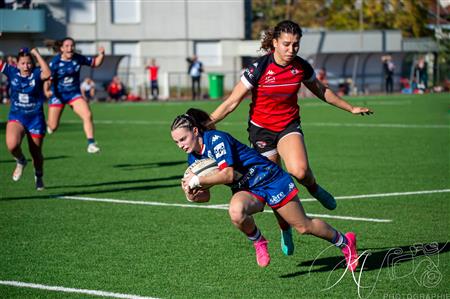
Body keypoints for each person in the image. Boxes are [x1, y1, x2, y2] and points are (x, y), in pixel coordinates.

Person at [209, 20, 372, 257]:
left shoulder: (300, 67)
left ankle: (314, 187)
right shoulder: (258, 68)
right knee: (274, 187)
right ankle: (285, 227)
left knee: (300, 171)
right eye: (286, 44)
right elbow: (232, 101)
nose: (291, 49)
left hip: (287, 126)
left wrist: (350, 108)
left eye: (296, 45)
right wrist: (208, 122)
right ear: (274, 43)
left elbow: (321, 90)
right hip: (261, 132)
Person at [171, 108, 359, 271]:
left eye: (183, 139)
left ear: (195, 131)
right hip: (247, 188)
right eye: (176, 142)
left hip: (270, 179)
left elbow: (227, 175)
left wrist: (197, 180)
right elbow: (206, 196)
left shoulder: (216, 139)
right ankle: (259, 241)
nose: (181, 145)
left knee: (303, 227)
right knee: (236, 212)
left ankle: (345, 242)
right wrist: (191, 194)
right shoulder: (193, 158)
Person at [1, 47, 51, 190]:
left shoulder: (36, 74)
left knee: (36, 153)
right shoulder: (11, 72)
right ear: (17, 64)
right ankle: (21, 161)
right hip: (17, 116)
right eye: (23, 63)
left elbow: (47, 73)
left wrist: (36, 54)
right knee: (12, 145)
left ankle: (39, 175)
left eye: (29, 63)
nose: (26, 66)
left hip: (35, 118)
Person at [46, 37, 105, 154]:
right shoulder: (55, 62)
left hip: (74, 94)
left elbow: (95, 63)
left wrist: (101, 54)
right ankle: (47, 124)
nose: (70, 48)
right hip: (58, 96)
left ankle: (91, 144)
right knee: (53, 127)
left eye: (72, 45)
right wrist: (46, 90)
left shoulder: (78, 58)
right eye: (67, 46)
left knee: (87, 115)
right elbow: (47, 79)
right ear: (62, 48)